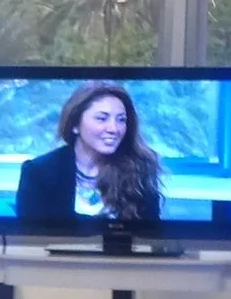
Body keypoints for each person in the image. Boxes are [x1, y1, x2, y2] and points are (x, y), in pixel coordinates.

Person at [12, 82, 164, 227]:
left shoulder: (140, 171)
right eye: (102, 118)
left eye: (121, 120)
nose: (113, 128)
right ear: (75, 124)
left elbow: (151, 238)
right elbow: (29, 240)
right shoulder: (39, 173)